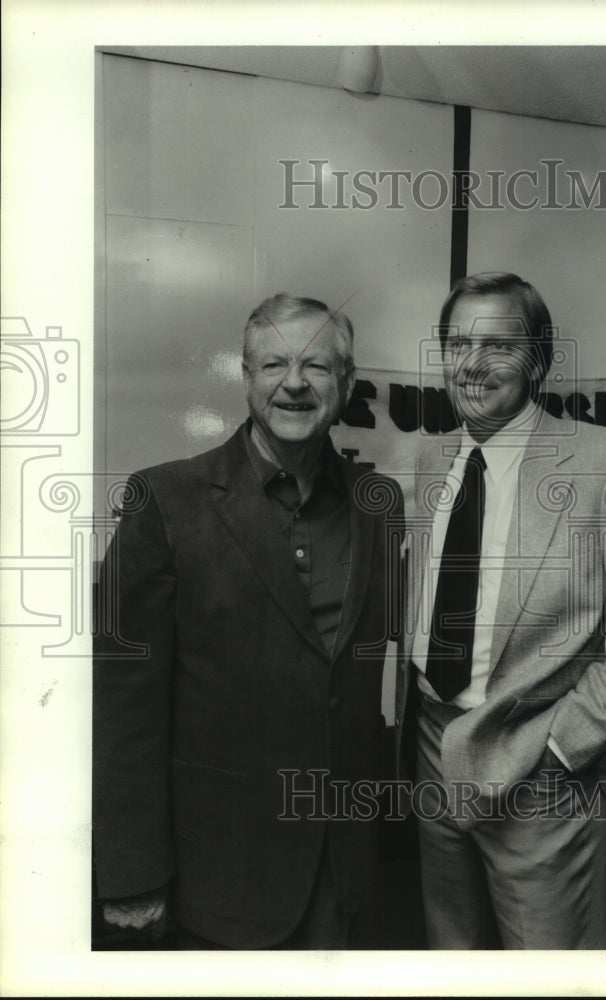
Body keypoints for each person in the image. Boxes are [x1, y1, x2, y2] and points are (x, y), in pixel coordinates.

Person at [93, 293, 403, 950]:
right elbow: (124, 711)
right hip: (219, 873)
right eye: (274, 365)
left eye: (317, 367)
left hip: (339, 869)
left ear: (345, 384)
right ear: (246, 376)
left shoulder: (377, 506)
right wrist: (130, 874)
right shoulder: (165, 500)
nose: (294, 383)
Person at [395, 272, 606, 949]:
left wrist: (563, 747)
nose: (472, 364)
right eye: (456, 344)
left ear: (539, 359)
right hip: (433, 750)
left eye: (498, 345)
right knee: (452, 953)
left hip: (542, 770)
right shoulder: (430, 459)